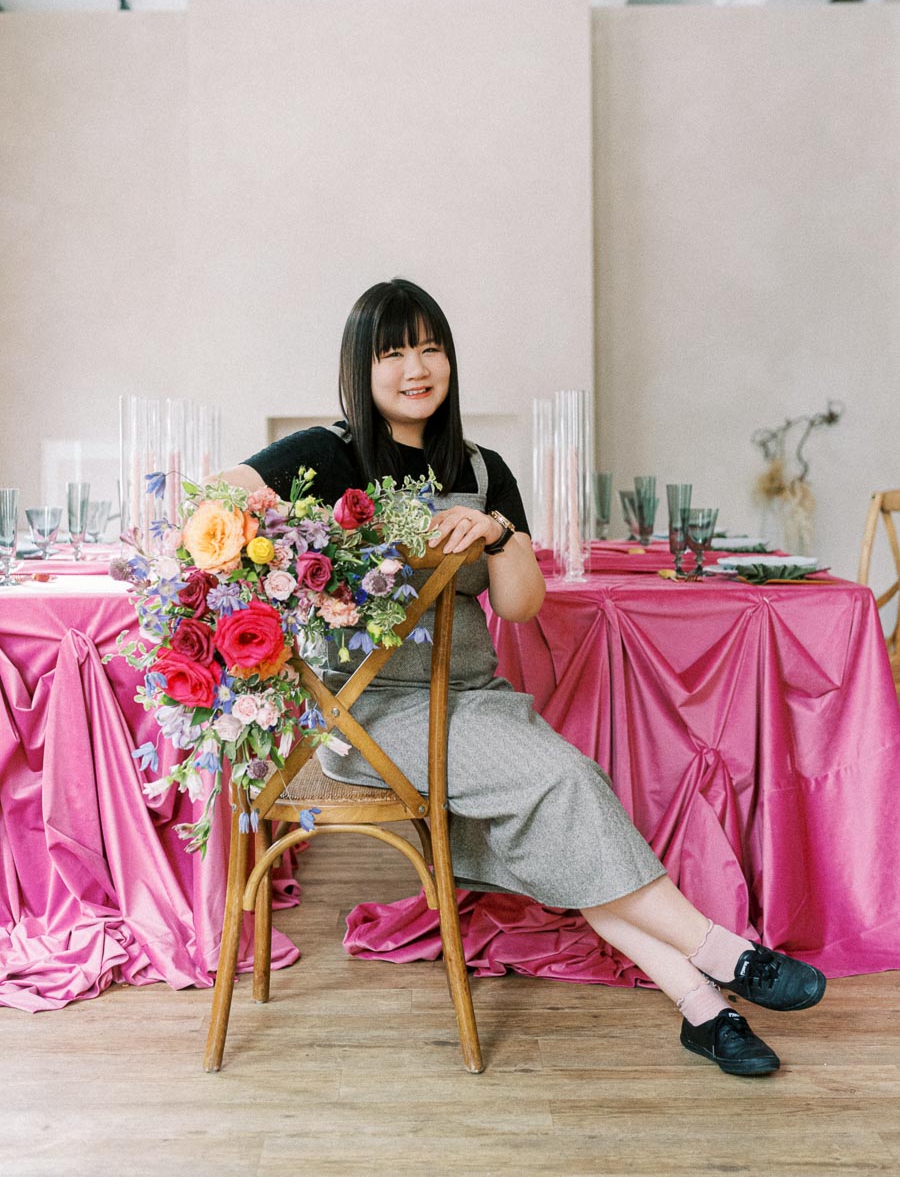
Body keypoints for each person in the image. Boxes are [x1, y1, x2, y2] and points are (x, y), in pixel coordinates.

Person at [219, 277, 826, 1077]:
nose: (415, 368)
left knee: (568, 815)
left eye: (429, 347)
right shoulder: (325, 455)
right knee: (569, 784)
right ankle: (725, 955)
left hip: (475, 703)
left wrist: (498, 533)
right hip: (368, 712)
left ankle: (704, 1011)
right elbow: (221, 503)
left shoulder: (481, 466)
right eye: (393, 352)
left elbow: (521, 605)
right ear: (360, 368)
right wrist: (320, 536)